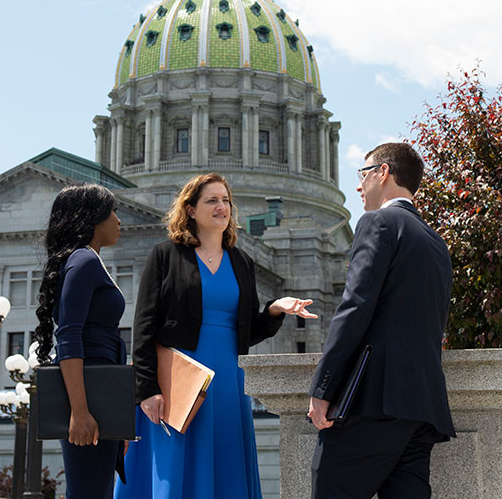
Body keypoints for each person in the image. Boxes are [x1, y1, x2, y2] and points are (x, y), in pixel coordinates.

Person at [116, 173, 317, 499]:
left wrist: (275, 309)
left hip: (227, 382)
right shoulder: (165, 255)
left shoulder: (242, 262)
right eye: (212, 200)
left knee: (225, 465)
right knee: (175, 466)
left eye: (226, 201)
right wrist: (147, 390)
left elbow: (248, 331)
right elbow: (143, 328)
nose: (222, 207)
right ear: (191, 209)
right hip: (178, 380)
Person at [307, 142, 456, 498]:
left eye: (363, 174)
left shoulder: (377, 222)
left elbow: (355, 306)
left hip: (373, 400)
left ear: (383, 173)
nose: (358, 186)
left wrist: (322, 388)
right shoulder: (437, 243)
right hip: (423, 405)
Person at [34, 183, 126, 499]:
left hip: (101, 391)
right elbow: (69, 336)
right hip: (90, 392)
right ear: (91, 218)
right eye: (111, 211)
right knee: (89, 492)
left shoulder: (86, 260)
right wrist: (80, 411)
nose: (118, 220)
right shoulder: (83, 260)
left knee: (95, 490)